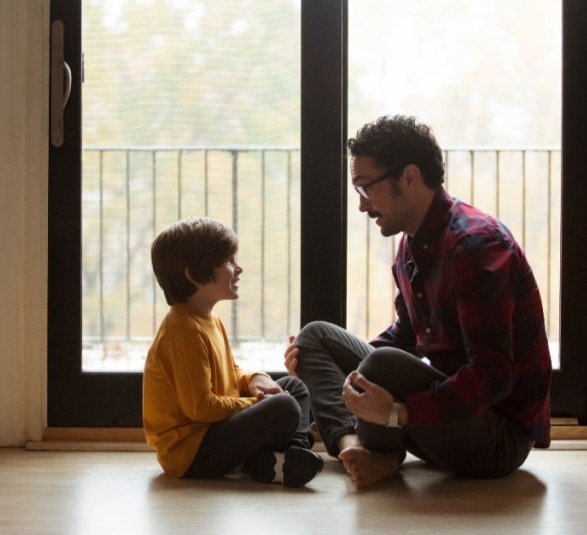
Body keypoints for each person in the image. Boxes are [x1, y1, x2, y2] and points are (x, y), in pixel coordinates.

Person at [284, 115, 552, 488]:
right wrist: (325, 369)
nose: (362, 206)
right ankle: (355, 443)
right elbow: (406, 334)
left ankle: (380, 451)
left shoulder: (474, 246)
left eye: (365, 189)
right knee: (315, 338)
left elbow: (492, 378)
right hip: (447, 416)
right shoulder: (412, 244)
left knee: (380, 367)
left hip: (496, 434)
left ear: (409, 177)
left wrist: (399, 414)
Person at [143, 216, 324, 487]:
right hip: (191, 451)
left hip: (214, 429)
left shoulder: (209, 320)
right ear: (193, 274)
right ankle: (279, 455)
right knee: (284, 404)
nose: (238, 268)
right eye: (228, 261)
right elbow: (201, 408)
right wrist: (256, 403)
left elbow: (229, 372)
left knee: (292, 388)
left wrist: (254, 380)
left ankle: (286, 457)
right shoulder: (182, 329)